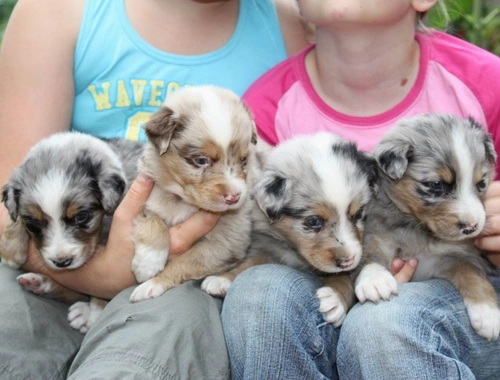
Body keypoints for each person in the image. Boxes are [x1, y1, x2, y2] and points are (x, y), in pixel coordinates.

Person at [0, 0, 310, 379]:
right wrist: (101, 275)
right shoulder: (57, 11)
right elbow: (10, 201)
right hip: (53, 260)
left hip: (189, 277)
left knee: (147, 354)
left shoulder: (293, 23)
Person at [221, 0, 500, 378]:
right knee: (260, 293)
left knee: (383, 324)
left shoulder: (485, 82)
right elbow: (254, 233)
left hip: (461, 301)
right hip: (323, 290)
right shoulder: (267, 106)